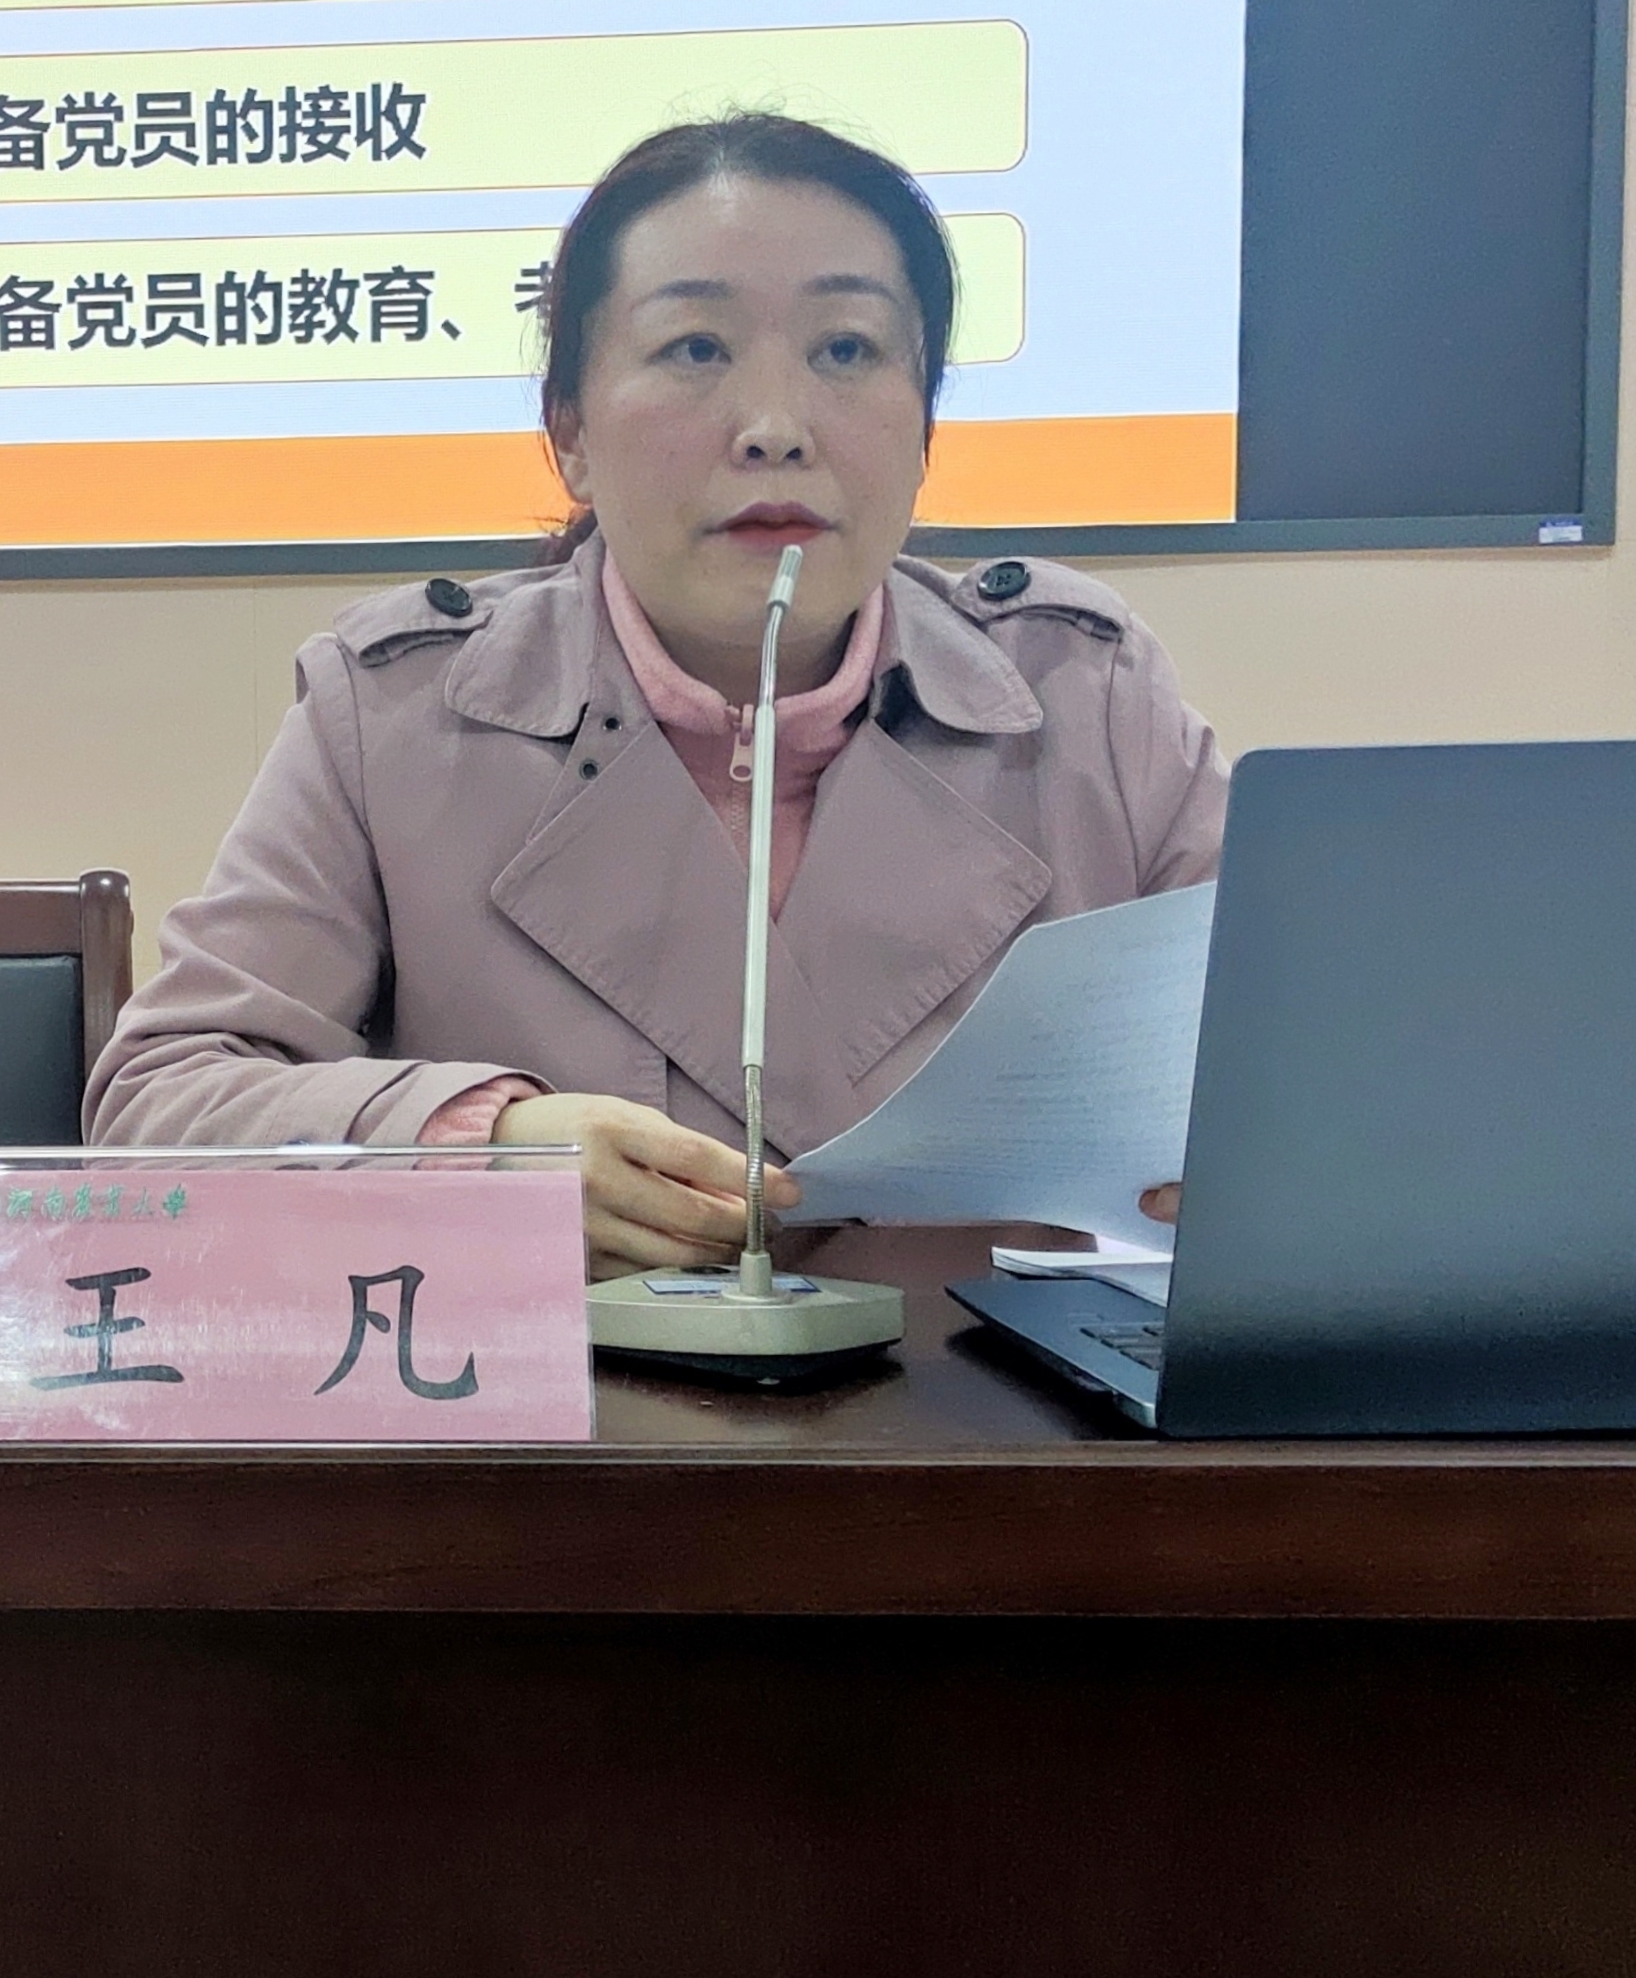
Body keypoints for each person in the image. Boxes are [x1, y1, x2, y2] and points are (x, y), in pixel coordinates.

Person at [83, 115, 1226, 1274]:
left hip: (995, 1391)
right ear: (569, 432)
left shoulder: (1084, 697)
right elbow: (159, 1101)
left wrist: (1242, 1163)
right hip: (565, 1387)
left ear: (925, 422)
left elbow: (1292, 1063)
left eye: (846, 349)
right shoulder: (396, 716)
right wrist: (485, 1145)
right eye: (693, 348)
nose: (774, 429)